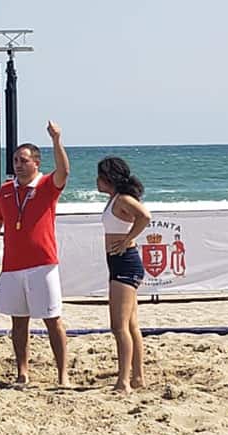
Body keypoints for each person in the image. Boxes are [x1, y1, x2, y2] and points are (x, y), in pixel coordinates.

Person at [0, 121, 70, 386]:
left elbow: (64, 172)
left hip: (43, 264)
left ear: (35, 164)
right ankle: (23, 371)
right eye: (15, 160)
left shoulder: (45, 187)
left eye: (23, 160)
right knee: (18, 323)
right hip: (12, 266)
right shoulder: (6, 191)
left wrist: (56, 140)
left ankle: (63, 375)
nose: (18, 164)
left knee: (52, 320)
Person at [96, 156, 151, 394]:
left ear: (108, 178)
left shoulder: (124, 199)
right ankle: (137, 376)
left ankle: (124, 381)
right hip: (118, 261)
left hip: (125, 262)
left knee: (118, 326)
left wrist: (128, 239)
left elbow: (145, 217)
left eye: (99, 175)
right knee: (131, 324)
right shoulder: (114, 199)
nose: (96, 180)